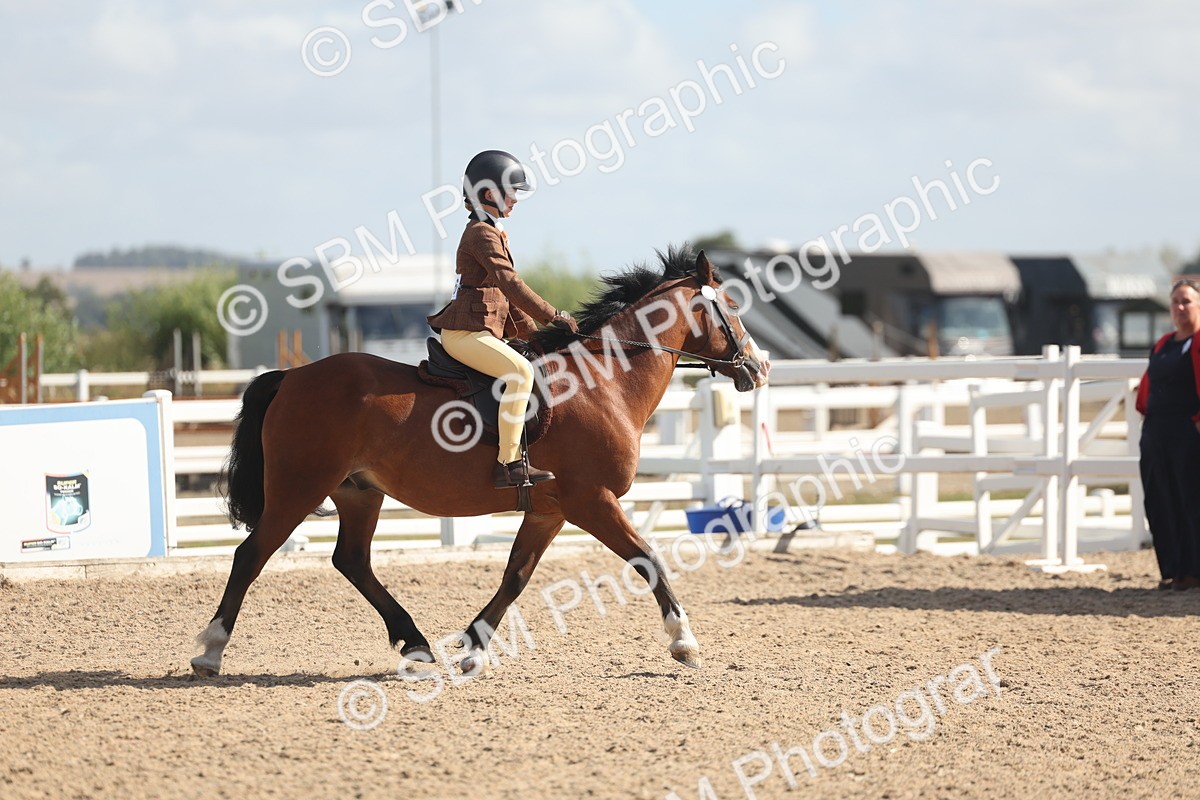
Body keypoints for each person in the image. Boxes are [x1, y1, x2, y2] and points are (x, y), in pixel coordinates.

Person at [427, 149, 578, 489]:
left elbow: (505, 299)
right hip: (466, 334)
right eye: (511, 192)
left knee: (533, 362)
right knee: (521, 373)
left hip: (482, 331)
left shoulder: (491, 231)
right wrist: (554, 315)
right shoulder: (481, 233)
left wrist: (537, 335)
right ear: (488, 194)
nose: (515, 200)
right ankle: (509, 464)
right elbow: (511, 285)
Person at [1135, 278, 1200, 590]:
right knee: (1160, 499)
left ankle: (1194, 570)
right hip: (1156, 433)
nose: (1180, 307)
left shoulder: (1199, 342)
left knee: (1191, 500)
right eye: (1175, 301)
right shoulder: (1163, 343)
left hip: (1188, 434)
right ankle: (1173, 569)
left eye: (1186, 301)